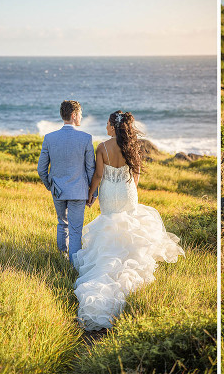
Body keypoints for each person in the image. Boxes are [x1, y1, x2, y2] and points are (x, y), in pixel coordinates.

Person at [72, 110, 184, 331]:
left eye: (107, 124)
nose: (105, 128)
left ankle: (108, 269)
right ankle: (129, 266)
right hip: (127, 190)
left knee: (110, 225)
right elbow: (137, 173)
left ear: (113, 127)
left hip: (109, 194)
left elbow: (98, 176)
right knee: (130, 225)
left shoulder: (103, 147)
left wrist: (90, 194)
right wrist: (131, 188)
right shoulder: (133, 146)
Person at [37, 100, 95, 264]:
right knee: (76, 230)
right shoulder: (86, 138)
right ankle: (74, 264)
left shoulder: (49, 138)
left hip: (58, 190)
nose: (81, 117)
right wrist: (93, 193)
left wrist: (51, 186)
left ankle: (62, 256)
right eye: (81, 114)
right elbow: (91, 169)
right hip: (79, 191)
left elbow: (41, 169)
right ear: (74, 115)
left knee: (62, 223)